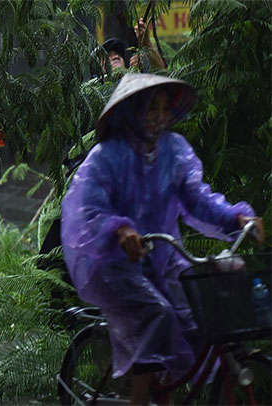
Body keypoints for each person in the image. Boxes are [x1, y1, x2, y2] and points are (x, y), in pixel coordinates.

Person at [60, 73, 264, 405]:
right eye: (149, 108)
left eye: (163, 108)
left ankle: (168, 391)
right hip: (112, 262)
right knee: (157, 313)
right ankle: (142, 399)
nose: (158, 116)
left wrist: (235, 217)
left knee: (198, 309)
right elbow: (89, 210)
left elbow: (198, 198)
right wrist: (119, 229)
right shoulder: (106, 157)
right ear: (132, 112)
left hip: (162, 254)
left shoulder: (174, 150)